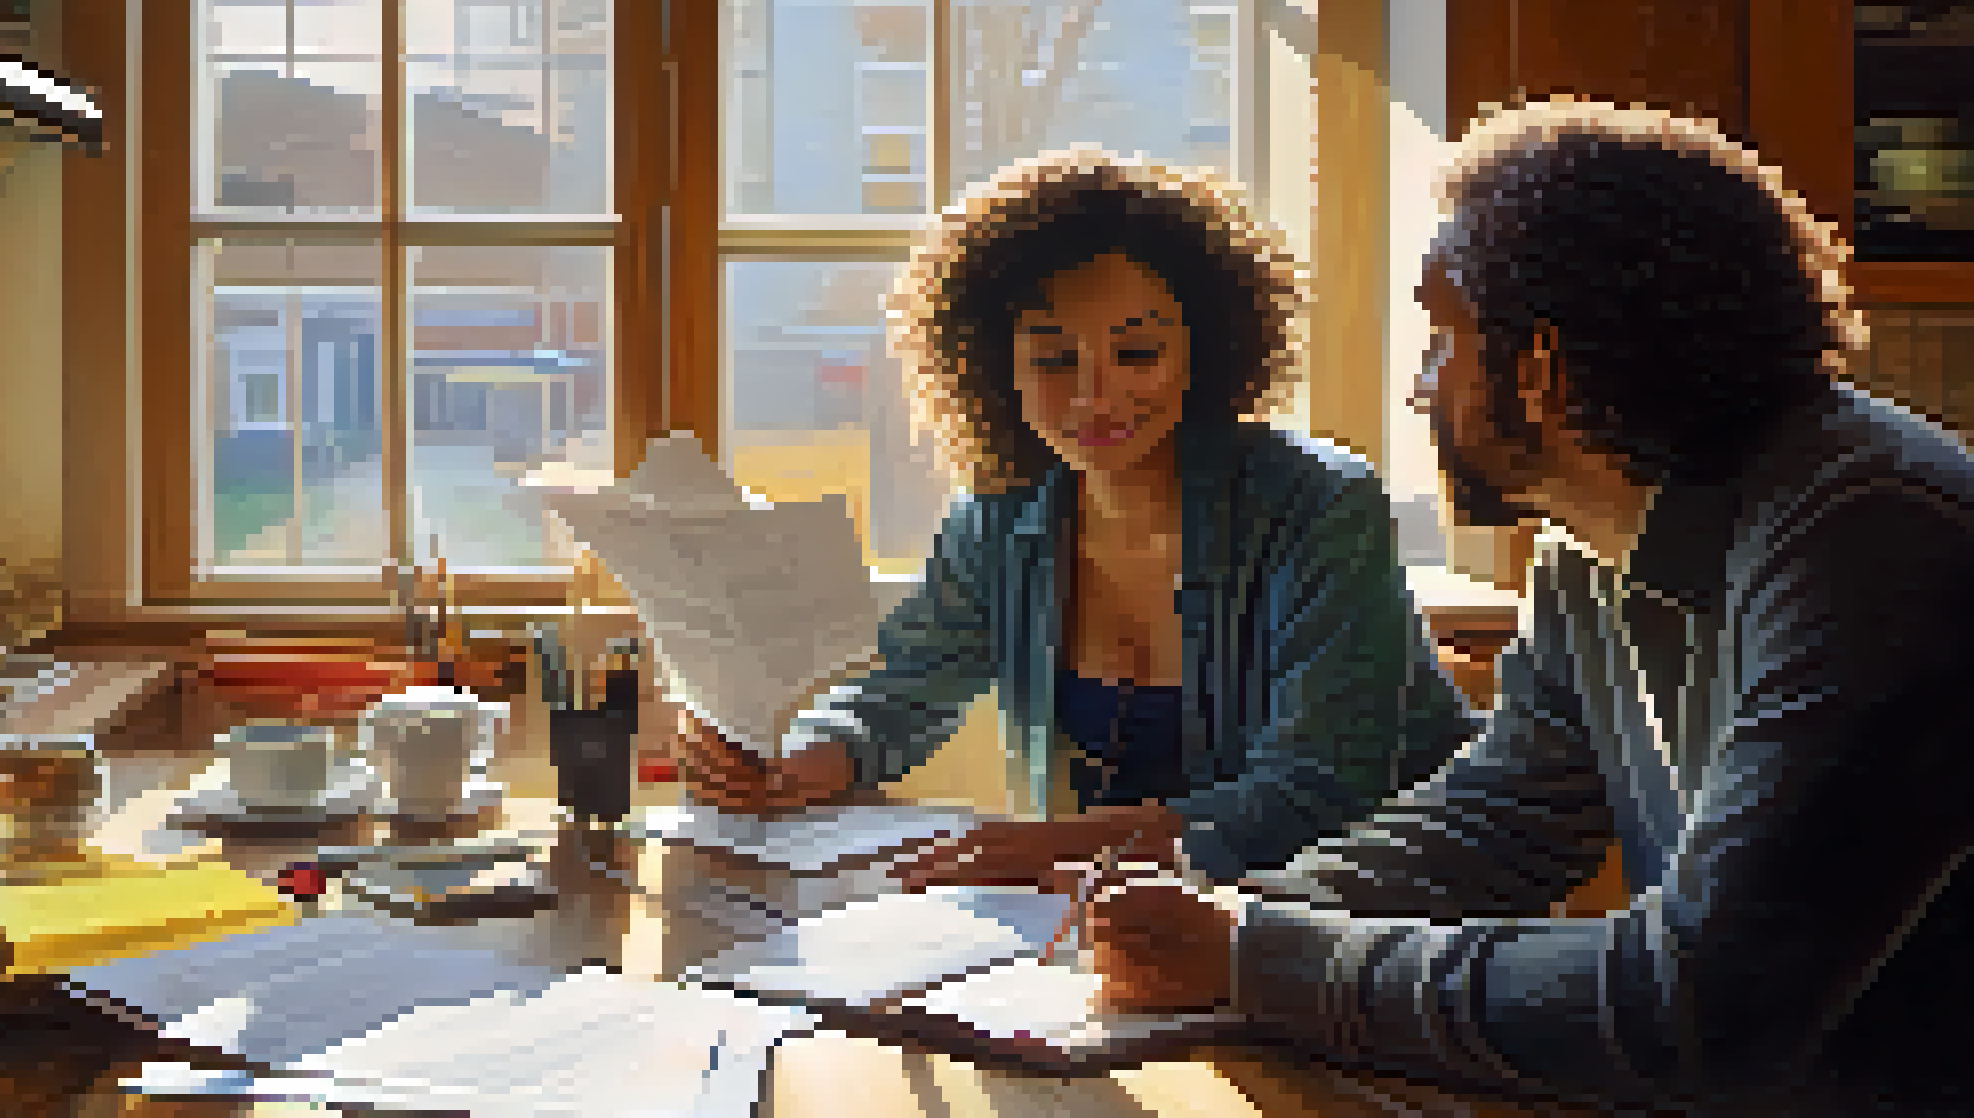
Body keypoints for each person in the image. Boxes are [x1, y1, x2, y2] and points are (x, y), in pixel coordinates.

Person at [1075, 101, 1974, 1116]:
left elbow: (1697, 1008)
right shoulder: (1592, 541)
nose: (1419, 389)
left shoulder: (1875, 537)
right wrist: (1243, 913)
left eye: (1440, 336)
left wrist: (1259, 958)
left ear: (1539, 369)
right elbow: (1505, 818)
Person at [679, 146, 1477, 889]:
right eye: (1055, 360)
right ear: (997, 367)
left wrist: (1045, 848)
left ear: (1204, 349)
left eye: (1136, 355)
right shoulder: (997, 515)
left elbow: (1317, 794)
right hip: (1131, 933)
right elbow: (903, 688)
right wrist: (801, 761)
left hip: (1379, 930)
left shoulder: (1322, 506)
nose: (1095, 397)